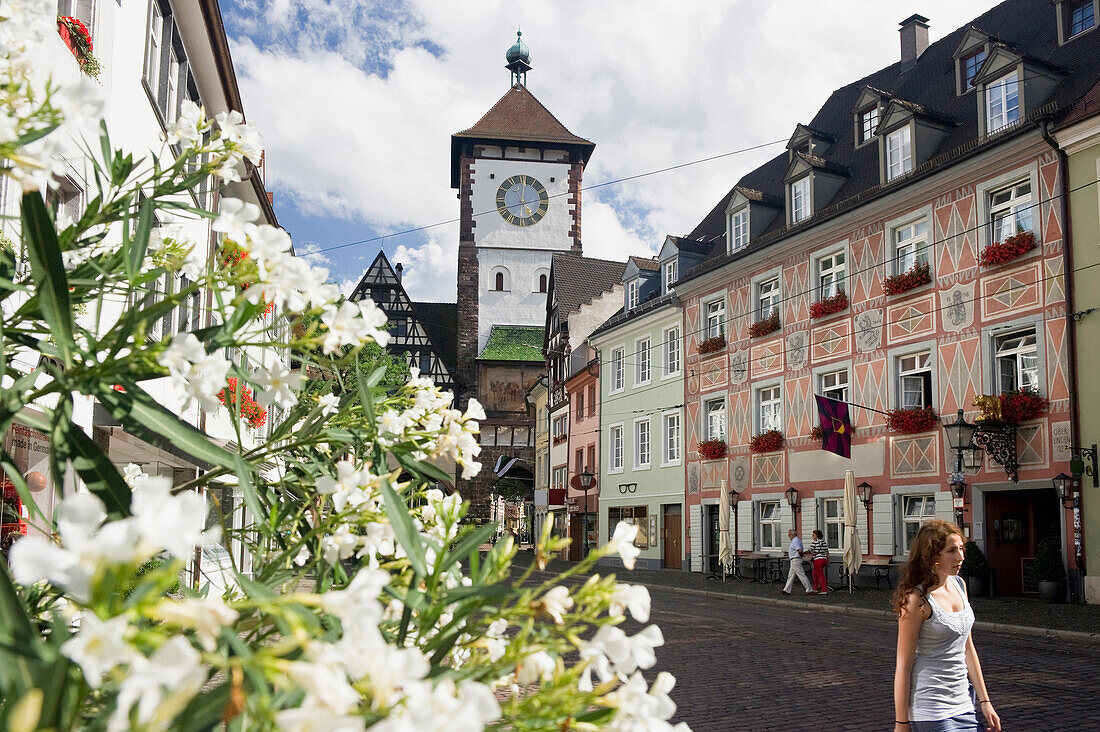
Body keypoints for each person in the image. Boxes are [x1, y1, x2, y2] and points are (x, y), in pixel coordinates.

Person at [893, 520, 1001, 732]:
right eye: (951, 550)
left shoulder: (959, 584)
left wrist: (985, 701)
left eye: (961, 548)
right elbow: (903, 665)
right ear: (933, 556)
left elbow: (967, 647)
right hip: (931, 709)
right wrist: (901, 722)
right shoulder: (917, 599)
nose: (960, 557)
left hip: (964, 704)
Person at [781, 528, 814, 595]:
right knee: (791, 576)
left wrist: (802, 555)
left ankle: (809, 589)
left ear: (791, 535)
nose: (788, 537)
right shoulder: (796, 540)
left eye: (789, 535)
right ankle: (786, 590)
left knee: (801, 575)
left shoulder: (795, 541)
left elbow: (799, 550)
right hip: (794, 560)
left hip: (796, 559)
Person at [807, 529, 830, 594]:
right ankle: (815, 588)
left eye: (813, 535)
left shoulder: (814, 542)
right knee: (814, 574)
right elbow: (827, 552)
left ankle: (824, 590)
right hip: (824, 560)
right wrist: (828, 561)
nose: (812, 536)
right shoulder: (824, 542)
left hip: (817, 560)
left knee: (820, 575)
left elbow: (810, 551)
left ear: (817, 535)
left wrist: (802, 553)